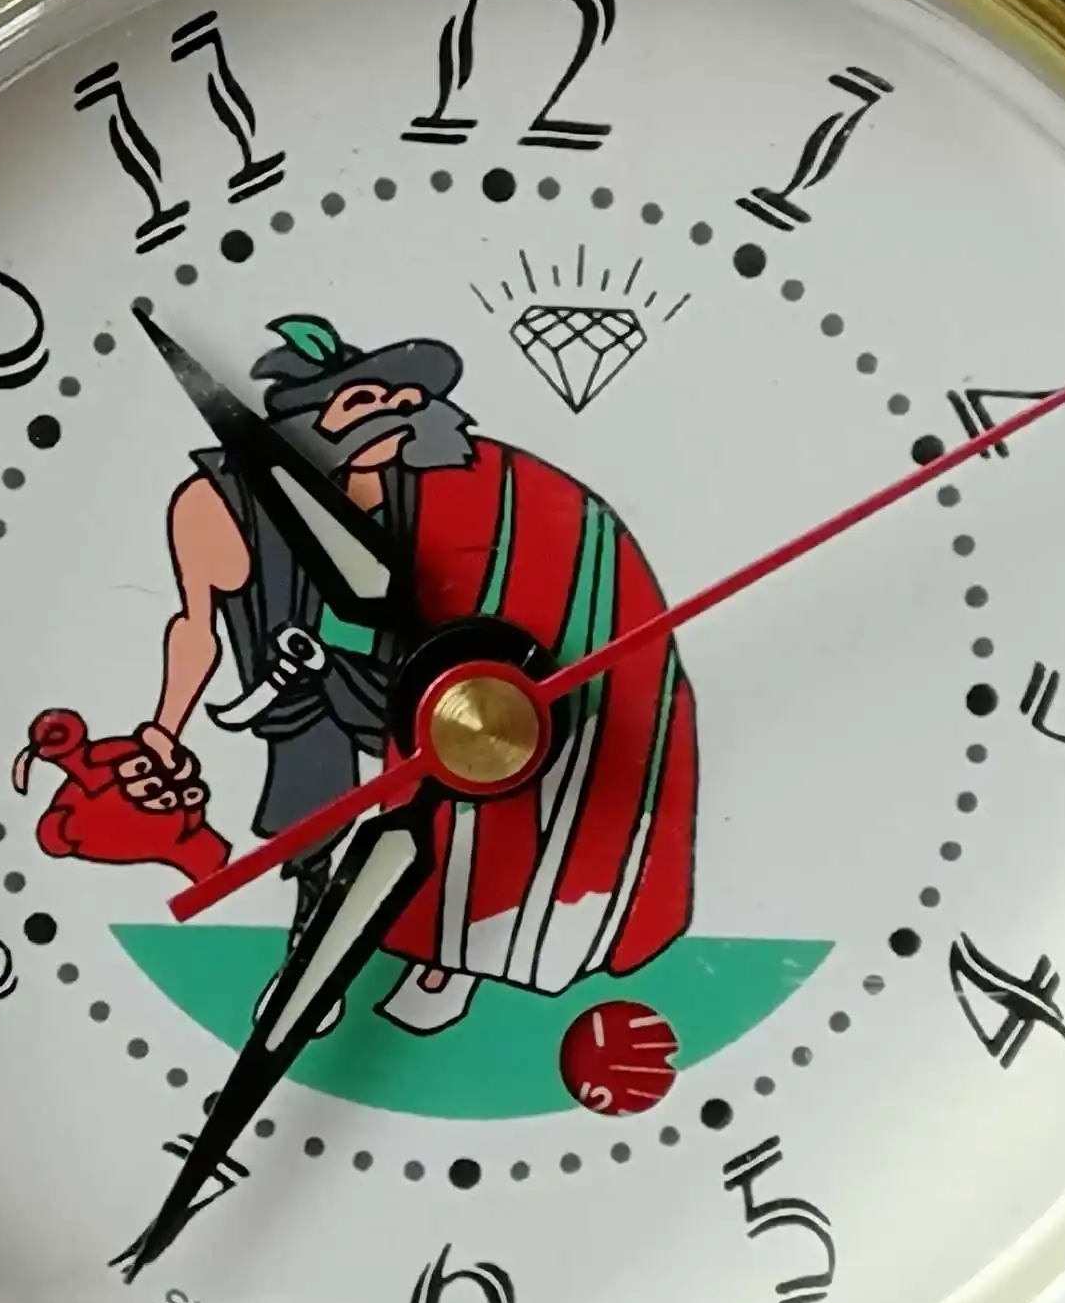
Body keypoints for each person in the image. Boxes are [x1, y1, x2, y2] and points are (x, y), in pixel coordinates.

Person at [123, 312, 697, 1035]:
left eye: (402, 398)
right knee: (311, 820)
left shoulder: (445, 495)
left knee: (460, 802)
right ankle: (310, 968)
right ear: (304, 423)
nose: (395, 411)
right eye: (362, 400)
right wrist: (163, 728)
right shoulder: (213, 507)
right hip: (302, 691)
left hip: (423, 686)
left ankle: (452, 958)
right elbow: (194, 626)